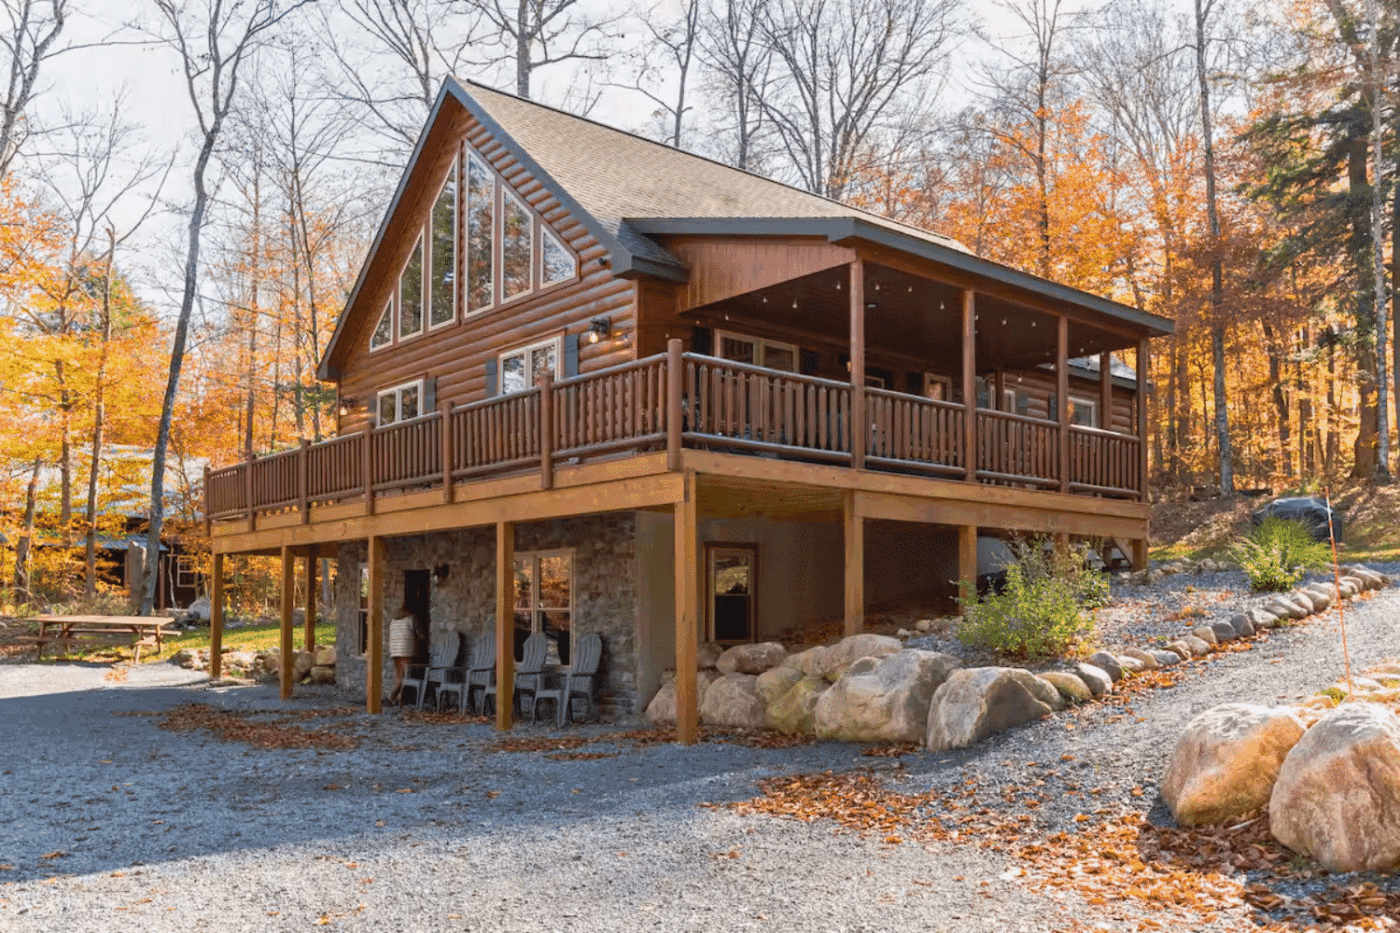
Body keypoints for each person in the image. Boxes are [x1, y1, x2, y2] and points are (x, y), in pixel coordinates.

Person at [388, 603, 418, 705]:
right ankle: (396, 696)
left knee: (399, 675)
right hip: (405, 649)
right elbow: (419, 632)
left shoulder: (393, 621)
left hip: (394, 650)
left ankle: (395, 697)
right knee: (406, 675)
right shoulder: (410, 619)